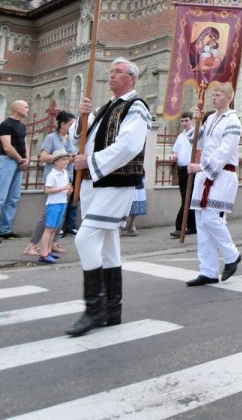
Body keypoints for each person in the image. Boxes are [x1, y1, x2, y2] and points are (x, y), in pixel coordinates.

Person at [66, 58, 150, 336]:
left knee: (85, 237)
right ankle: (113, 309)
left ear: (131, 78)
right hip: (95, 183)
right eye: (111, 71)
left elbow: (128, 146)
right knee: (107, 244)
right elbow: (82, 138)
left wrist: (89, 162)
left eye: (117, 72)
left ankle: (95, 307)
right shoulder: (106, 107)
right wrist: (82, 118)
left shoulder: (136, 107)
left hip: (116, 182)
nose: (111, 76)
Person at [185, 81, 242, 286]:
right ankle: (208, 270)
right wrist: (196, 122)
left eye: (218, 94)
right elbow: (198, 142)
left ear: (228, 98)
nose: (214, 97)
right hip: (204, 175)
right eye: (213, 94)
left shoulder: (233, 121)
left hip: (222, 175)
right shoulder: (210, 118)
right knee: (201, 221)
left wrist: (201, 168)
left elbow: (224, 151)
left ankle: (232, 255)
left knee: (211, 217)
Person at [26, 111, 76, 256]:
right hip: (53, 181)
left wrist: (71, 159)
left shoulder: (71, 139)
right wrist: (61, 157)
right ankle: (32, 245)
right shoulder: (51, 138)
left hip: (66, 179)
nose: (73, 127)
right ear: (62, 124)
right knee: (47, 216)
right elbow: (43, 156)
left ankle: (52, 243)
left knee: (61, 214)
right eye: (70, 124)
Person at [0, 99, 30, 244]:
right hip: (7, 162)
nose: (27, 110)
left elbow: (24, 142)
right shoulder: (5, 125)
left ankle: (4, 230)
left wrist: (27, 158)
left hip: (19, 162)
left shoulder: (21, 125)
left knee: (13, 198)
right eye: (25, 107)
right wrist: (20, 160)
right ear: (17, 109)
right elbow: (7, 147)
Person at [37, 150, 73, 264]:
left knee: (54, 229)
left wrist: (69, 190)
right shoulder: (52, 175)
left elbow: (67, 188)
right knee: (49, 229)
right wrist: (62, 188)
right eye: (63, 159)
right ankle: (44, 254)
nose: (66, 161)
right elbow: (47, 190)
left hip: (62, 202)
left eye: (67, 159)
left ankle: (48, 251)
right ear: (56, 162)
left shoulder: (65, 173)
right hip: (53, 204)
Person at [169, 112, 197, 238]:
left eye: (186, 120)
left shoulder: (194, 133)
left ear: (191, 120)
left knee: (188, 197)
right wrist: (174, 157)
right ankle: (192, 225)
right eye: (182, 121)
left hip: (190, 169)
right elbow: (176, 151)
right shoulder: (181, 136)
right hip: (181, 170)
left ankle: (179, 226)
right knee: (186, 197)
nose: (184, 123)